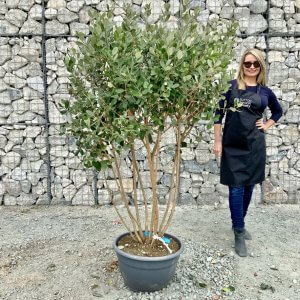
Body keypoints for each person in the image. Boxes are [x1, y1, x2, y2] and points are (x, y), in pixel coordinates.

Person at [213, 48, 283, 257]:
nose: (251, 67)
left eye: (255, 64)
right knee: (236, 188)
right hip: (232, 145)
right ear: (242, 65)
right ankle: (239, 231)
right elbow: (217, 115)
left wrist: (267, 124)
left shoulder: (265, 92)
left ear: (260, 66)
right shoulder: (231, 87)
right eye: (247, 63)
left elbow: (278, 111)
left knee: (249, 186)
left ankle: (238, 224)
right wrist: (217, 141)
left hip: (254, 145)